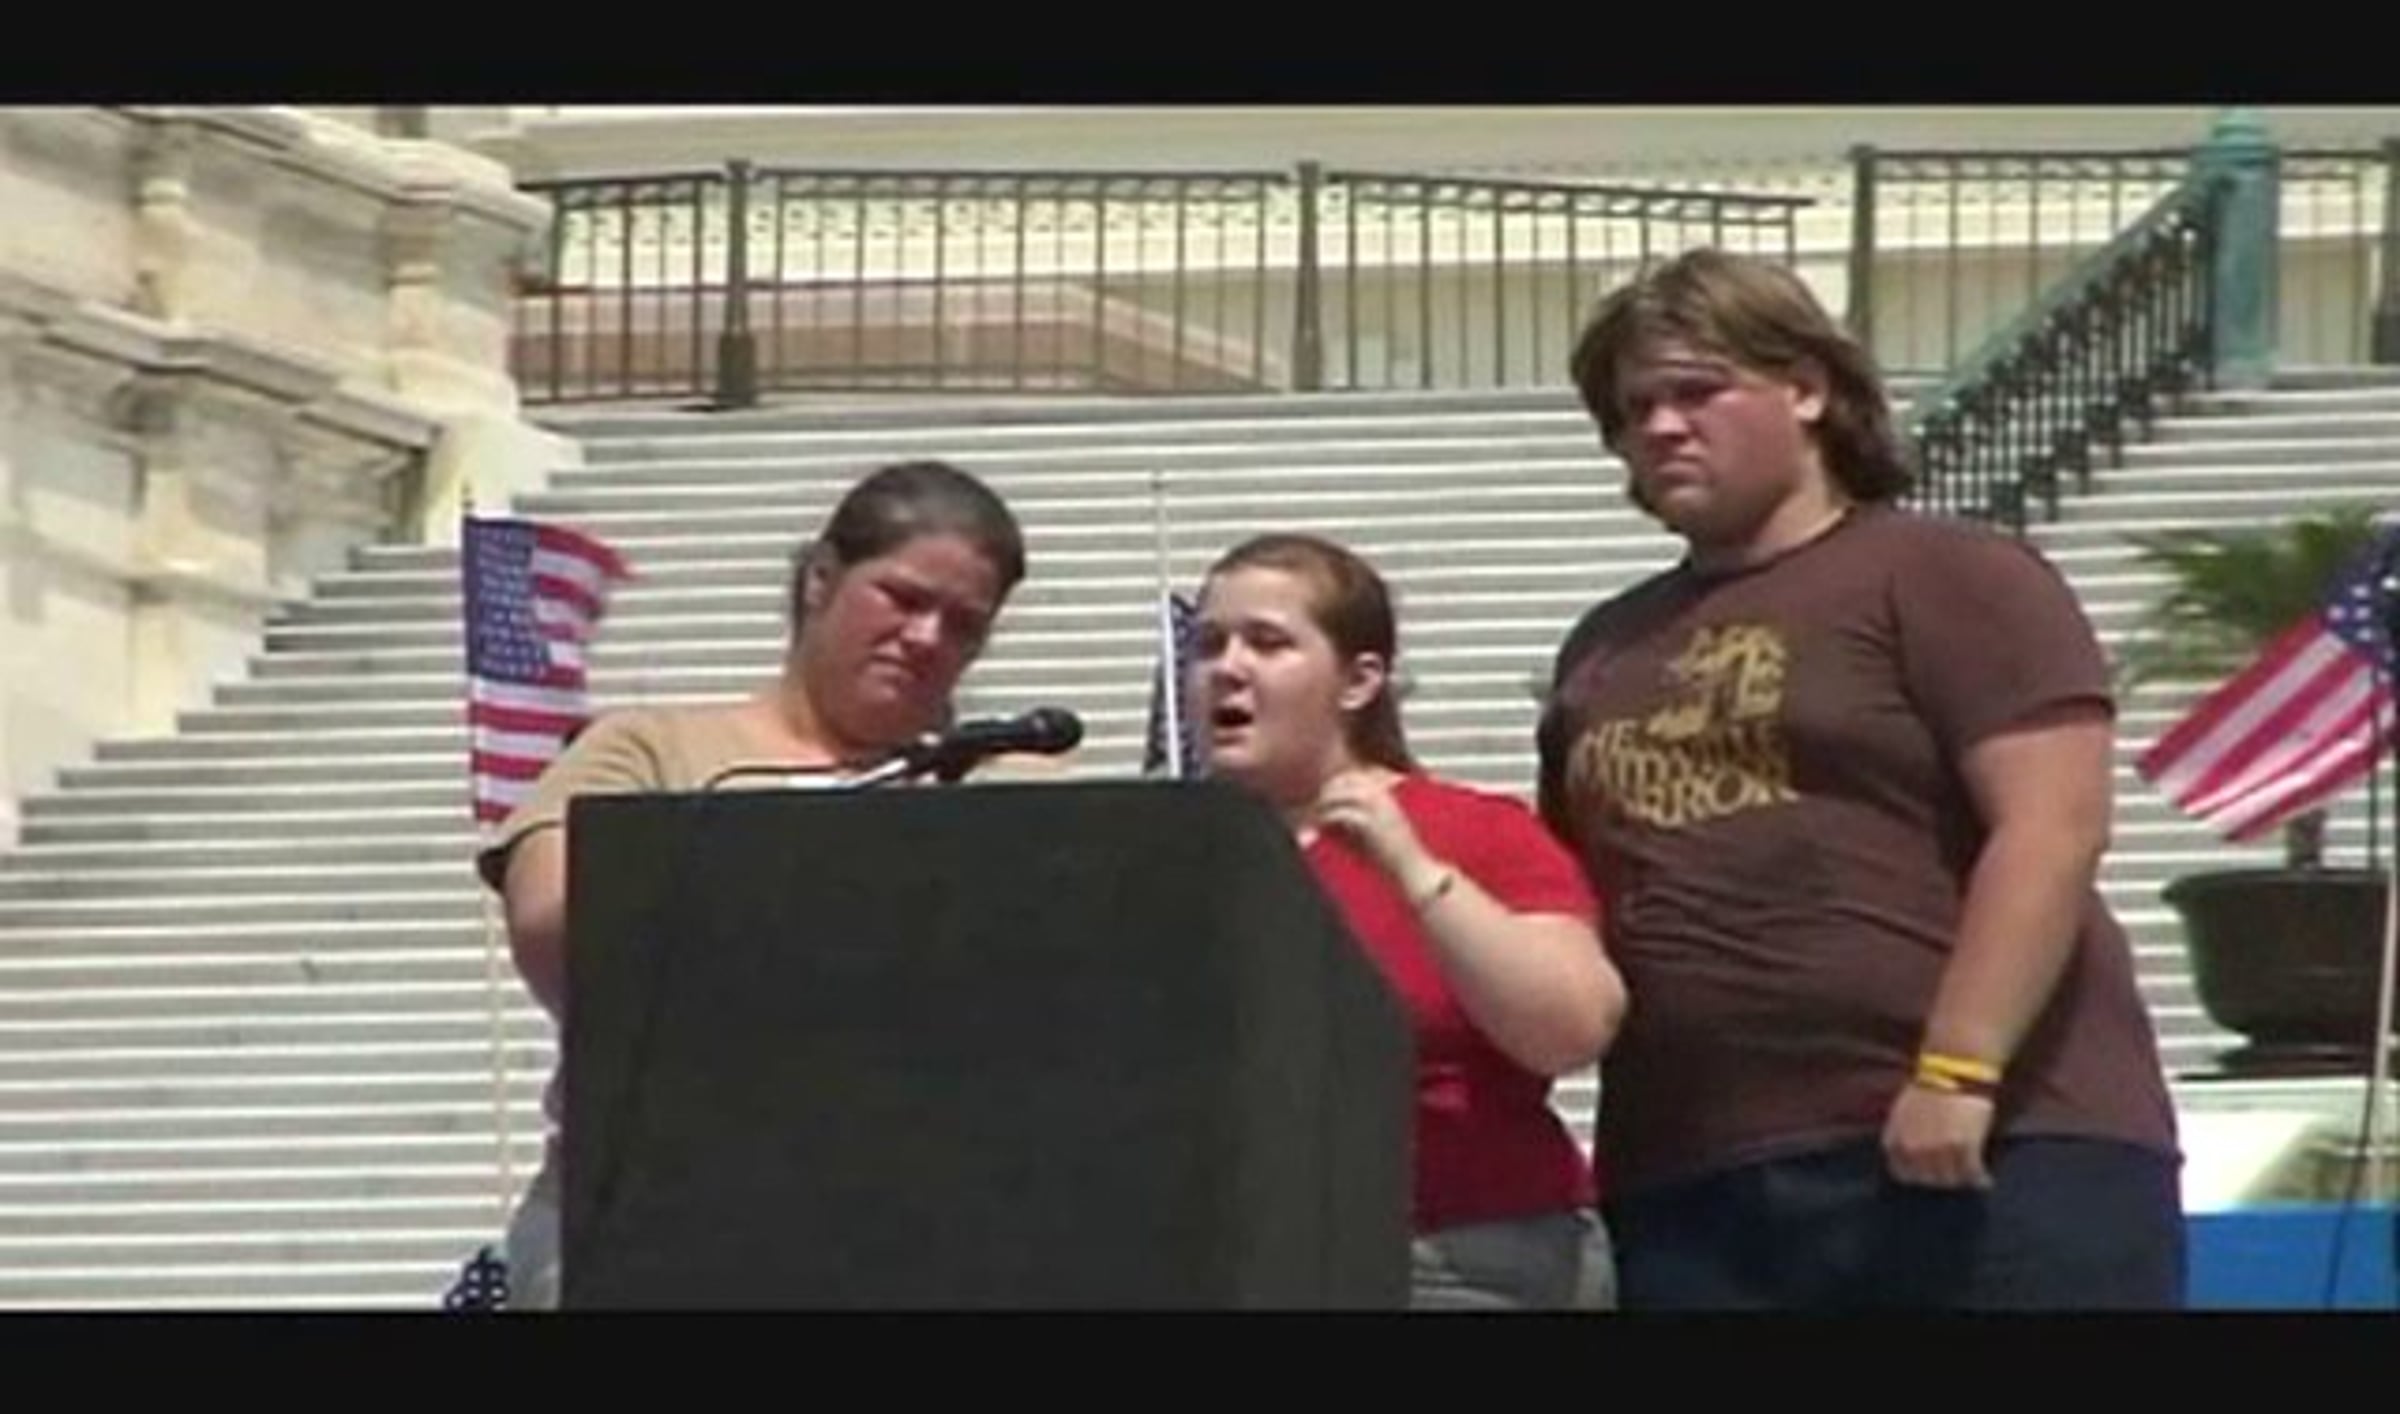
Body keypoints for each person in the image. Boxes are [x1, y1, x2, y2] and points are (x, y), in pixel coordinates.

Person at [1537, 248, 2183, 1309]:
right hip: (1694, 1180)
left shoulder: (1947, 573)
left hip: (1990, 1147)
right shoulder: (1603, 649)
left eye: (1696, 391)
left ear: (1807, 388)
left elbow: (2052, 830)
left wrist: (1958, 1069)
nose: (1659, 427)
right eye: (1631, 409)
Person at [473, 459, 1029, 1309]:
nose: (926, 638)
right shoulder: (648, 751)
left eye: (963, 625)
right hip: (650, 1220)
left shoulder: (1009, 786)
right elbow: (555, 928)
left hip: (916, 1230)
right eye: (903, 598)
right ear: (820, 579)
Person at [1193, 531, 1628, 1309]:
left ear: (1359, 681)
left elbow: (1571, 1028)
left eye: (1267, 643)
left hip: (1457, 1253)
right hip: (1234, 1255)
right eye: (1208, 644)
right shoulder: (1178, 853)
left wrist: (1413, 871)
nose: (1227, 667)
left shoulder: (1474, 831)